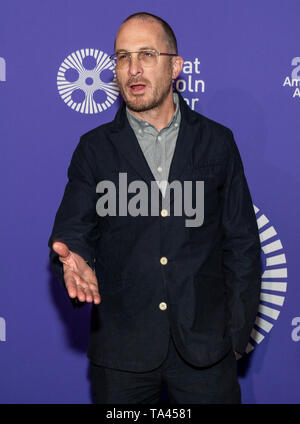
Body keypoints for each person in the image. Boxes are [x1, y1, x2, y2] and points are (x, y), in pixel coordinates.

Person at [48, 12, 262, 404]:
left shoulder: (217, 142)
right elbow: (73, 230)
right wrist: (73, 256)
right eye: (123, 56)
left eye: (146, 54)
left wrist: (235, 334)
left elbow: (242, 244)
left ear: (176, 66)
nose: (133, 69)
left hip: (206, 353)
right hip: (122, 355)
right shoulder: (94, 149)